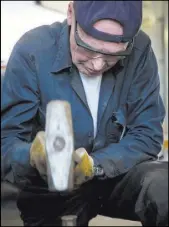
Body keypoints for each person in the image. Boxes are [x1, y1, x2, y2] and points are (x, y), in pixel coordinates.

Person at [1, 1, 168, 226]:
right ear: (71, 13)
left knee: (162, 185)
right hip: (51, 187)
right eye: (88, 49)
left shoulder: (139, 49)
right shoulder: (32, 52)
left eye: (111, 56)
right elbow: (6, 142)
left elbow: (147, 134)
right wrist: (32, 156)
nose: (98, 65)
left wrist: (94, 164)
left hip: (113, 173)